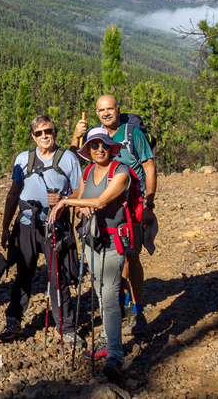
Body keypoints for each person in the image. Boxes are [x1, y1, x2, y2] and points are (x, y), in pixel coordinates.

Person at [51, 127, 135, 385]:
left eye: (104, 145)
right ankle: (108, 340)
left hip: (113, 242)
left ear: (111, 147)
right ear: (88, 150)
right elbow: (83, 204)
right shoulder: (87, 172)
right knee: (99, 291)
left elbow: (99, 202)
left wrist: (65, 202)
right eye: (94, 146)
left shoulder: (121, 172)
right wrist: (79, 209)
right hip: (91, 240)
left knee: (109, 297)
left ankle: (115, 356)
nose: (100, 150)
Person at [71, 95, 157, 335]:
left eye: (110, 109)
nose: (106, 113)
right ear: (96, 113)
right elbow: (76, 161)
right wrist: (76, 136)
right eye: (101, 110)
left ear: (118, 110)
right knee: (113, 257)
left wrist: (149, 204)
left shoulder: (132, 134)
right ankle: (119, 304)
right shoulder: (95, 135)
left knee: (131, 256)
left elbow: (149, 167)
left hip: (131, 207)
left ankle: (136, 310)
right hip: (104, 210)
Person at [0, 114, 83, 348]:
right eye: (39, 133)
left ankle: (66, 328)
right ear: (33, 136)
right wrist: (5, 227)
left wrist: (63, 199)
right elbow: (13, 194)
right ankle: (13, 321)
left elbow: (79, 191)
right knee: (23, 274)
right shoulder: (23, 159)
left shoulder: (69, 159)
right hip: (26, 224)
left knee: (58, 276)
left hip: (56, 225)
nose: (44, 136)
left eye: (48, 131)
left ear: (55, 132)